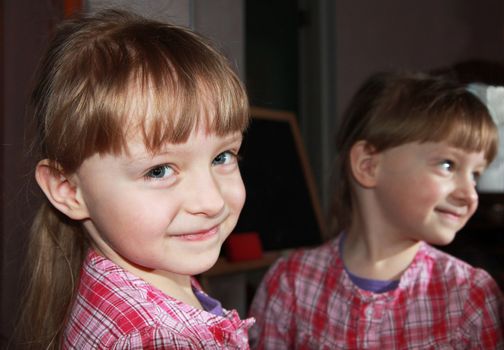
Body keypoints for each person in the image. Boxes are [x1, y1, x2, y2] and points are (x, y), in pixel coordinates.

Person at [16, 9, 253, 349]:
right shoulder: (160, 340)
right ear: (68, 190)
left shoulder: (136, 274)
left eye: (222, 157)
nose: (211, 201)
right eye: (159, 170)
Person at [249, 71, 504, 349]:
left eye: (476, 174)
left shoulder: (471, 296)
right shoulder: (291, 285)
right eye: (447, 165)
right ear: (368, 166)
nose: (469, 194)